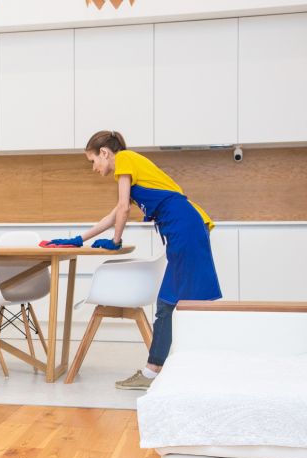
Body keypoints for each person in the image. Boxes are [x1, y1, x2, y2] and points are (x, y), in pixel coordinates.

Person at [47, 130, 221, 390]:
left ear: (105, 153)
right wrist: (78, 238)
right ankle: (160, 370)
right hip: (184, 227)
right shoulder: (129, 165)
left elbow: (124, 210)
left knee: (182, 302)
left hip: (184, 226)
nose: (94, 168)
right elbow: (118, 210)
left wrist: (116, 241)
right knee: (176, 302)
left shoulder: (125, 159)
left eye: (93, 161)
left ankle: (169, 371)